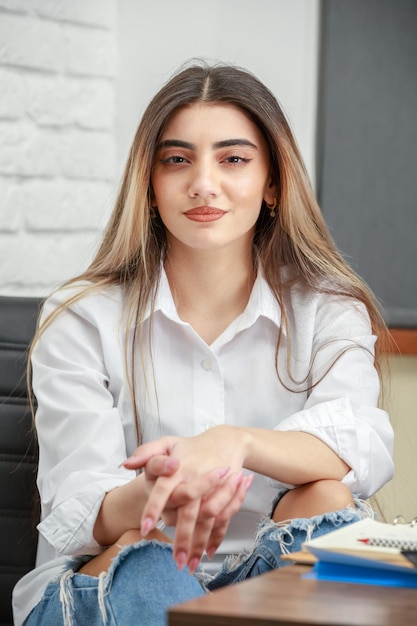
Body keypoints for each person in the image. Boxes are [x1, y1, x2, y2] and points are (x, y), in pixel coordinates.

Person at [13, 61, 394, 626]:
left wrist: (231, 445)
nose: (203, 183)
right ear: (150, 182)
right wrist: (167, 490)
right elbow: (75, 513)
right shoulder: (81, 317)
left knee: (331, 503)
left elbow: (360, 442)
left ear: (272, 182)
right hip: (111, 577)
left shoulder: (328, 306)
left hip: (259, 577)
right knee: (153, 561)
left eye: (233, 159)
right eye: (177, 159)